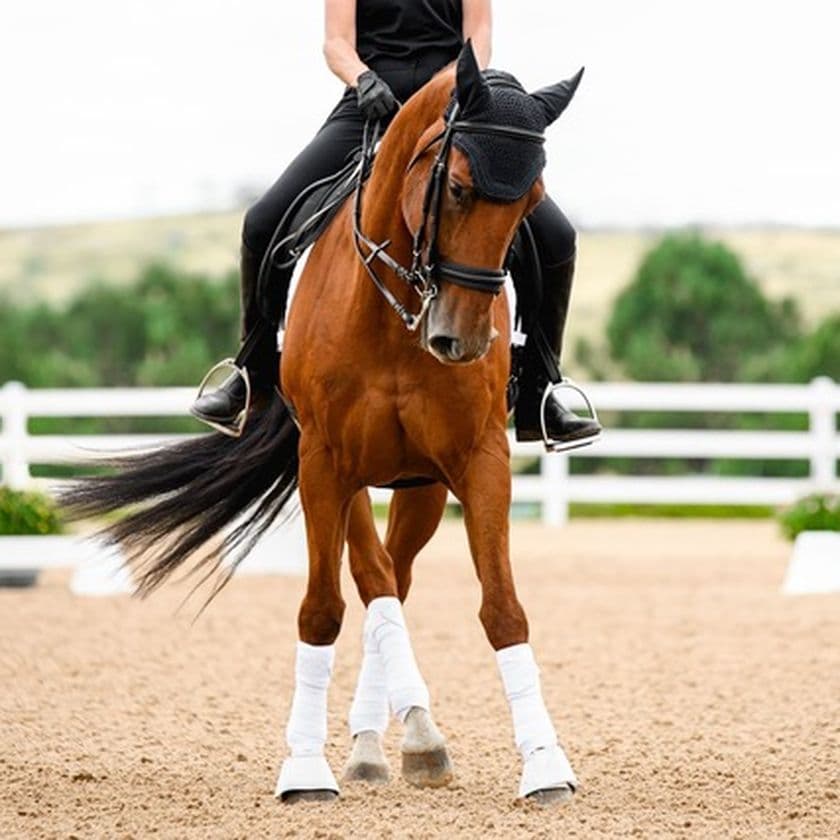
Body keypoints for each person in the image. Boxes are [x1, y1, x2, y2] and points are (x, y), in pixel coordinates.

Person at [191, 0, 601, 449]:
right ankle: (253, 374)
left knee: (557, 237)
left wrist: (452, 84)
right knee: (262, 222)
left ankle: (541, 388)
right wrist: (362, 79)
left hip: (453, 104)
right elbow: (337, 42)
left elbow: (479, 36)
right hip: (369, 102)